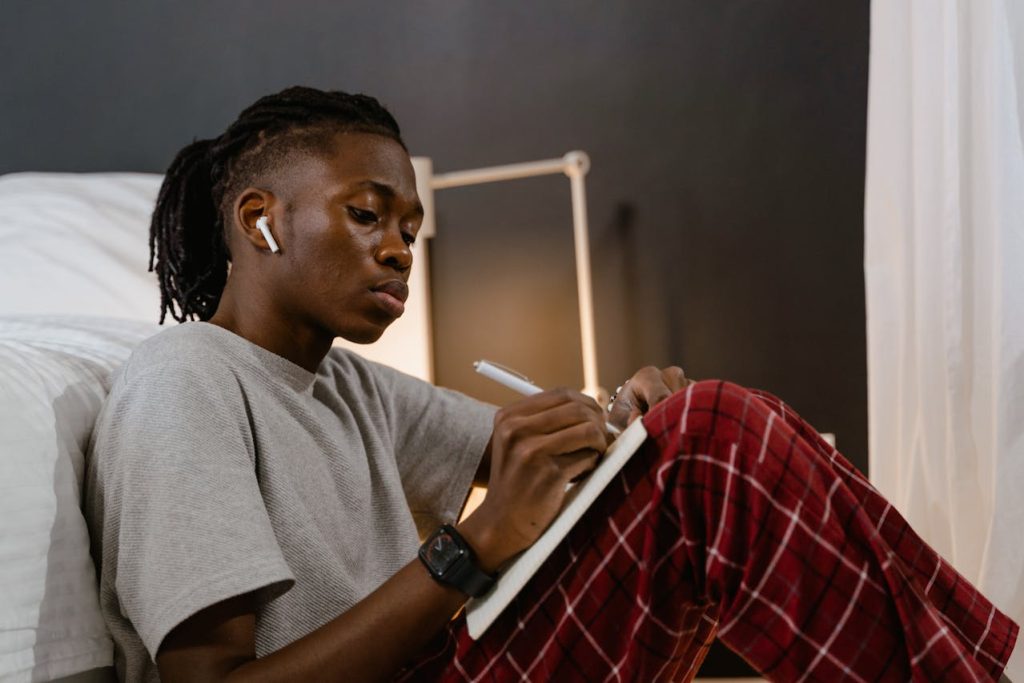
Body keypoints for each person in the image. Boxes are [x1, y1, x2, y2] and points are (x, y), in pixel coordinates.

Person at [83, 86, 1017, 682]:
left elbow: (532, 449)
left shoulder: (344, 385)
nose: (401, 248)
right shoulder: (184, 379)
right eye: (368, 215)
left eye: (413, 227)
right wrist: (466, 551)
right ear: (262, 220)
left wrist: (623, 428)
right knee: (716, 439)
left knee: (703, 431)